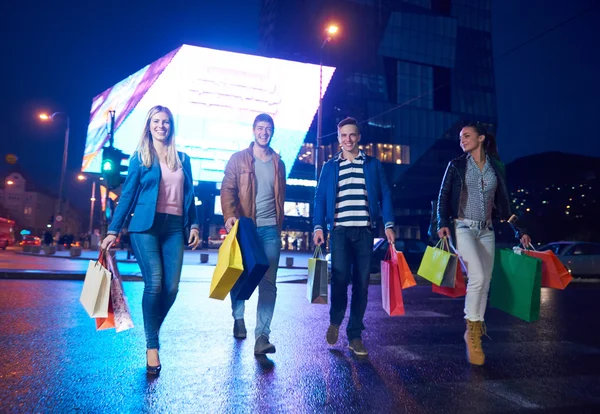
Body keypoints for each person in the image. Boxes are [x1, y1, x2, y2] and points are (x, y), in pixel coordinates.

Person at [100, 105, 200, 374]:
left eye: (166, 122)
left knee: (172, 288)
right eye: (156, 121)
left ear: (171, 126)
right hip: (145, 228)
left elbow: (190, 196)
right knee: (154, 284)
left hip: (175, 228)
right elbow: (127, 197)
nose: (161, 126)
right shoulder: (140, 158)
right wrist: (113, 230)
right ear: (149, 125)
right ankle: (152, 346)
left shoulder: (183, 159)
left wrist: (195, 226)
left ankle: (151, 329)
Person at [436, 122, 530, 366]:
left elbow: (505, 205)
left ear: (481, 138)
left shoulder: (496, 167)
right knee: (477, 276)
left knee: (485, 281)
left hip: (487, 230)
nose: (462, 140)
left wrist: (520, 229)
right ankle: (472, 330)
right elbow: (443, 197)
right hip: (462, 227)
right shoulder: (456, 166)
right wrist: (441, 222)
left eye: (467, 136)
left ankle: (474, 330)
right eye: (460, 137)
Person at [313, 117, 395, 356]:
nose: (348, 139)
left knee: (361, 283)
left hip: (364, 232)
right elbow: (319, 199)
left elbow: (385, 195)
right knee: (339, 277)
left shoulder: (372, 164)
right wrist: (318, 227)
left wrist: (389, 224)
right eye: (343, 135)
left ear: (358, 137)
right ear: (338, 139)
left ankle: (355, 335)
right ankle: (336, 320)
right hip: (338, 231)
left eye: (352, 135)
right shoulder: (330, 167)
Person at [220, 113, 286, 355]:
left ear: (272, 131)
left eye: (268, 128)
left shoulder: (279, 163)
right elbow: (227, 189)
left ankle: (262, 336)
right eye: (260, 128)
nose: (264, 132)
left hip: (270, 230)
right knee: (241, 277)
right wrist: (229, 215)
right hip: (246, 228)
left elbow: (280, 197)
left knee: (268, 282)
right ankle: (238, 317)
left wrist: (279, 225)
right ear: (253, 130)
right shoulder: (238, 160)